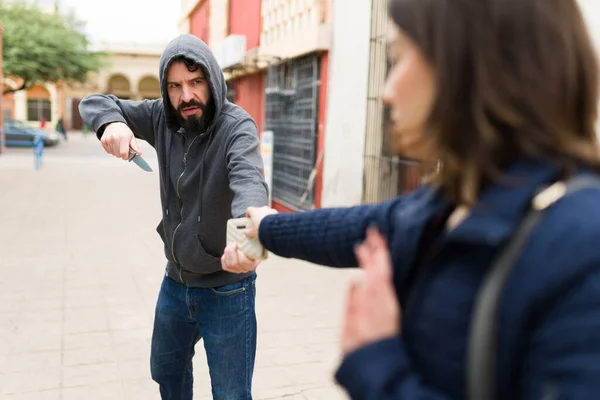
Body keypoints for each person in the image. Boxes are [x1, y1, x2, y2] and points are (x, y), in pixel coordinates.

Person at [222, 0, 600, 398]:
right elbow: (359, 226)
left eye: (398, 58)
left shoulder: (581, 251)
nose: (386, 92)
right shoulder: (456, 199)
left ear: (467, 66)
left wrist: (376, 361)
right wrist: (265, 227)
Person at [79, 34, 269, 400]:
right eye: (175, 86)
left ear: (212, 80)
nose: (187, 96)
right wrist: (111, 123)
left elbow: (249, 182)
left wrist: (249, 238)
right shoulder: (162, 117)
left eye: (196, 82)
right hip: (176, 280)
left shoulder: (236, 127)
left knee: (231, 394)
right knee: (166, 372)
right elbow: (96, 101)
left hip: (227, 286)